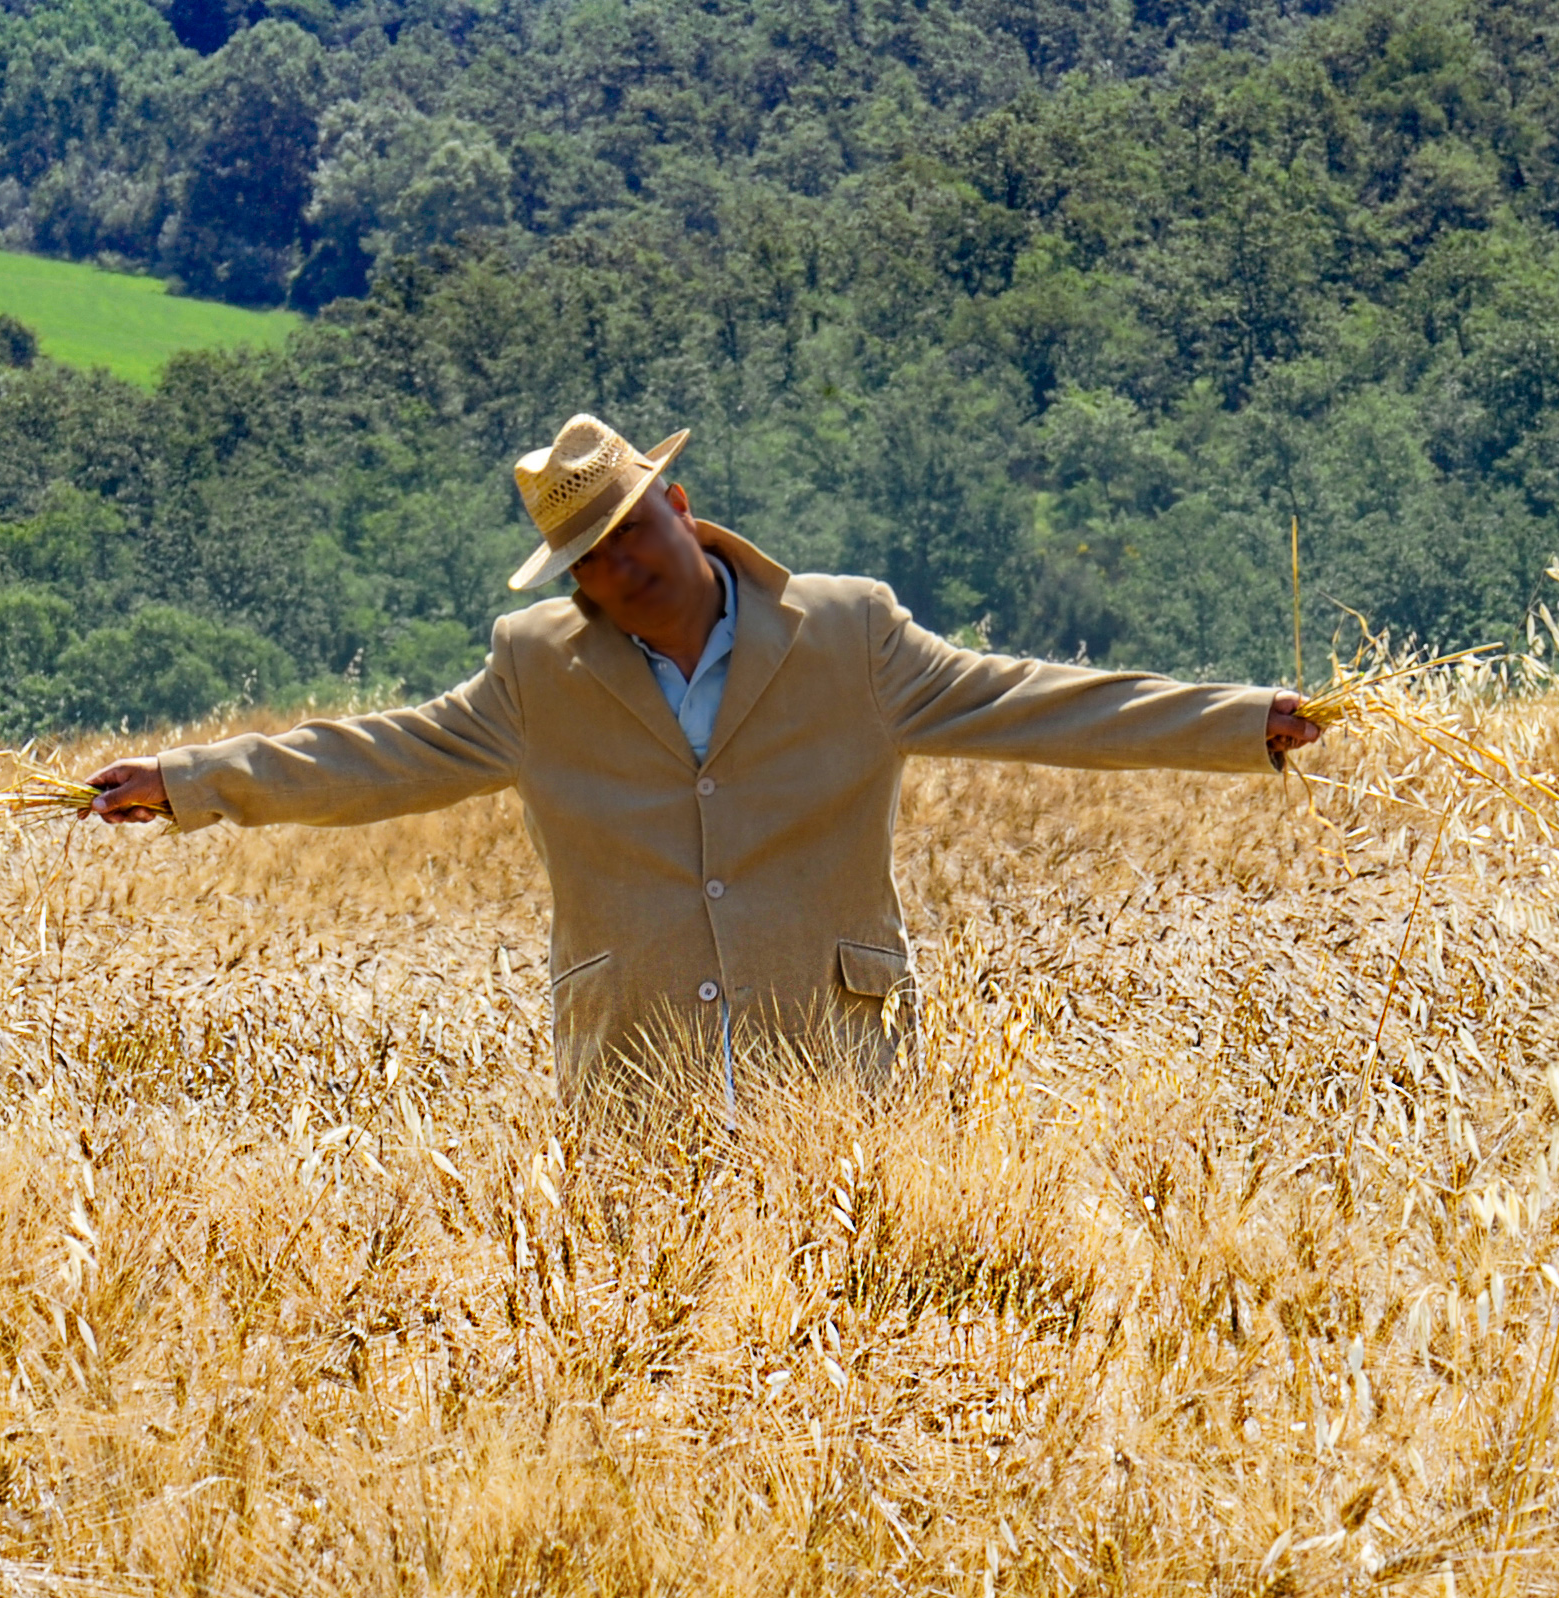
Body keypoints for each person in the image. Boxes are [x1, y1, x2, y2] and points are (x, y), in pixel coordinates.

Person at [88, 414, 1325, 1102]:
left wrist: (1231, 720)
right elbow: (377, 756)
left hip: (830, 1063)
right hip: (636, 1070)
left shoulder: (848, 634)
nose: (621, 573)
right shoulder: (537, 670)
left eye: (632, 538)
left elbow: (1037, 704)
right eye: (593, 564)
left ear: (680, 510)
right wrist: (189, 782)